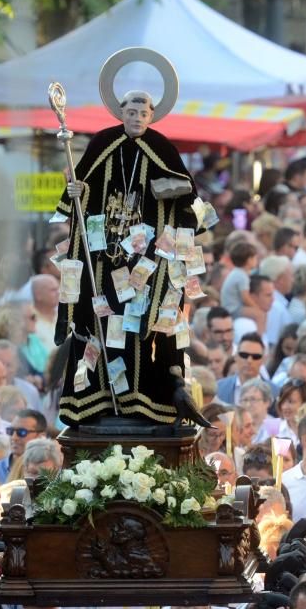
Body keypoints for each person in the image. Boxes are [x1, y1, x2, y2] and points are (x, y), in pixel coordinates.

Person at [53, 87, 205, 428]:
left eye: (143, 114)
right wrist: (78, 191)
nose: (137, 119)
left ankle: (142, 399)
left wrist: (172, 191)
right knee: (102, 323)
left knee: (142, 327)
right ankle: (101, 399)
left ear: (152, 116)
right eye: (131, 112)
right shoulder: (101, 142)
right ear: (121, 112)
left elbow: (189, 197)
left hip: (147, 264)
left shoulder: (162, 147)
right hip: (105, 259)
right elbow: (81, 190)